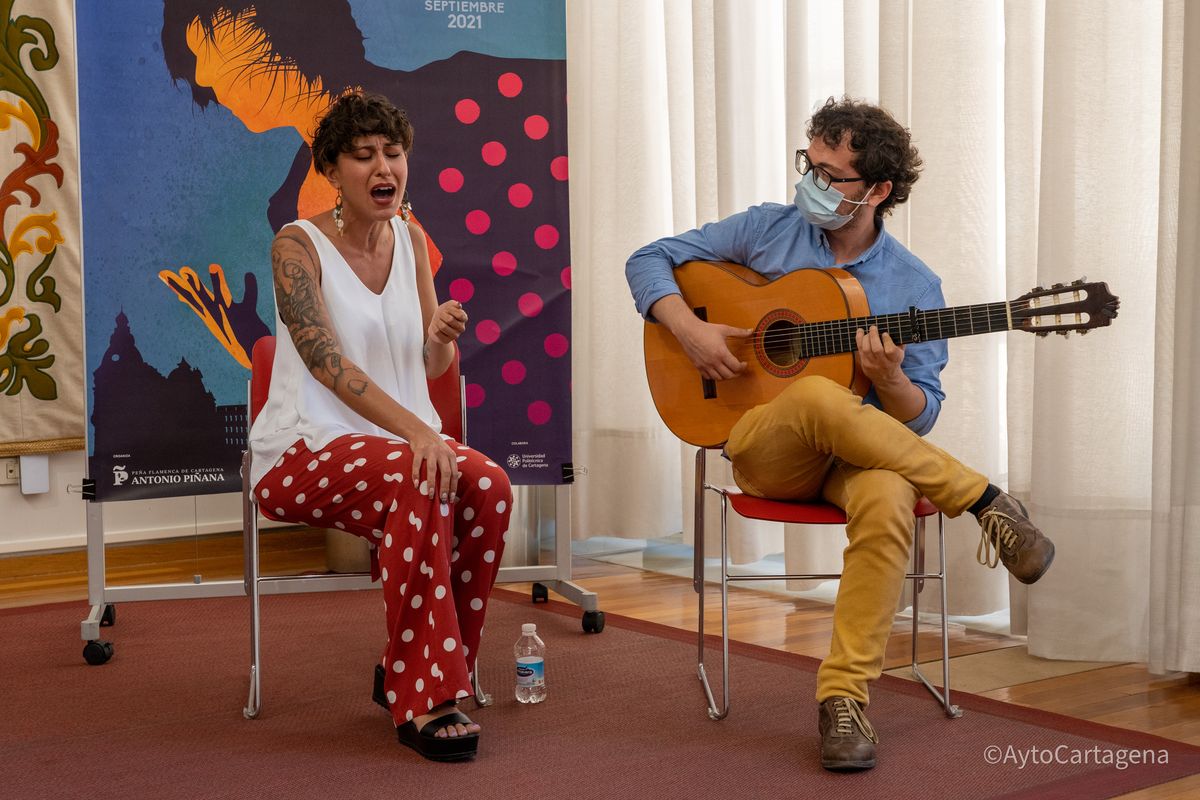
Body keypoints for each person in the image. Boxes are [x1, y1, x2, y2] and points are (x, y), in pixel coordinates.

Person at [625, 97, 1054, 772]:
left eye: (832, 175)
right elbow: (649, 258)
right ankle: (982, 500)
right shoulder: (769, 230)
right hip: (764, 447)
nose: (813, 184)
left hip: (855, 458)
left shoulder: (915, 284)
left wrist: (889, 382)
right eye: (810, 165)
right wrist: (692, 329)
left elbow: (919, 415)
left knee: (886, 500)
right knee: (817, 393)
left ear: (879, 190)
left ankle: (844, 699)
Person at [249, 91, 512, 762]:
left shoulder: (413, 238)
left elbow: (429, 362)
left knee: (490, 485)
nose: (382, 167)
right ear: (331, 172)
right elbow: (325, 362)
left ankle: (414, 666)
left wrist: (442, 338)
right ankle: (425, 694)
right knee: (421, 472)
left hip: (398, 445)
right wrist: (420, 434)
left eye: (392, 153)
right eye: (362, 156)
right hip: (306, 448)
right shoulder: (295, 245)